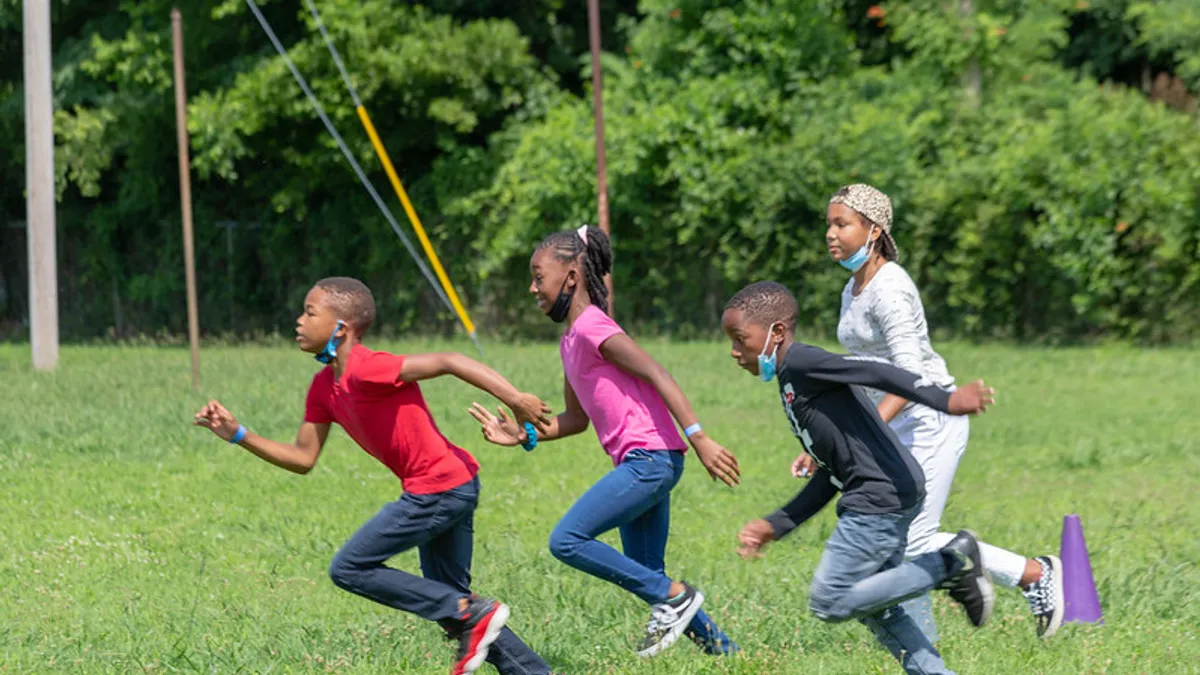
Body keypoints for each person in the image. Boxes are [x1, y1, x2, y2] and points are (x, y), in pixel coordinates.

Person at [193, 276, 557, 675]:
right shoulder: (323, 388)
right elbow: (302, 457)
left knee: (351, 568)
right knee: (455, 607)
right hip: (453, 486)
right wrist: (238, 434)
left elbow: (450, 360)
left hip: (438, 489)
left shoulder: (370, 367)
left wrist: (516, 398)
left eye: (309, 312)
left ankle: (470, 613)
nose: (298, 320)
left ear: (341, 329)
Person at [468, 225, 741, 658]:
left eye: (539, 277)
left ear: (571, 277)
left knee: (567, 540)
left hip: (650, 459)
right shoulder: (571, 340)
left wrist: (701, 438)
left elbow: (657, 373)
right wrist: (525, 434)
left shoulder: (596, 327)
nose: (532, 288)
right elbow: (576, 419)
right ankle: (729, 655)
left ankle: (678, 598)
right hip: (645, 461)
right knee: (650, 574)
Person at [815, 183, 1063, 640]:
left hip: (929, 422)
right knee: (892, 538)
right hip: (894, 426)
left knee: (912, 540)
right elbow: (868, 371)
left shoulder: (890, 288)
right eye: (828, 223)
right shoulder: (854, 288)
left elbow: (911, 376)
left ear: (873, 230)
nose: (830, 234)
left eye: (841, 224)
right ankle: (919, 643)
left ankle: (1034, 575)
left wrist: (863, 432)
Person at [723, 281, 996, 675]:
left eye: (740, 339)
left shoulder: (801, 363)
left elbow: (875, 371)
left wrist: (945, 401)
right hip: (888, 491)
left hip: (878, 499)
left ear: (776, 332)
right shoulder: (791, 381)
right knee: (878, 609)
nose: (734, 352)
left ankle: (950, 564)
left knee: (829, 601)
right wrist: (778, 524)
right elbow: (834, 472)